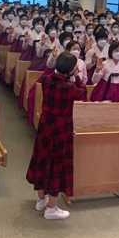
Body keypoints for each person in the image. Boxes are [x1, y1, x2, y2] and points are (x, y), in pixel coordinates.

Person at [27, 52, 84, 220]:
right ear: (70, 70)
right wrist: (76, 77)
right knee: (57, 166)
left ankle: (41, 200)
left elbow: (53, 76)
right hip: (61, 128)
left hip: (46, 125)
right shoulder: (70, 87)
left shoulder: (46, 80)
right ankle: (51, 209)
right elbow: (83, 93)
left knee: (42, 161)